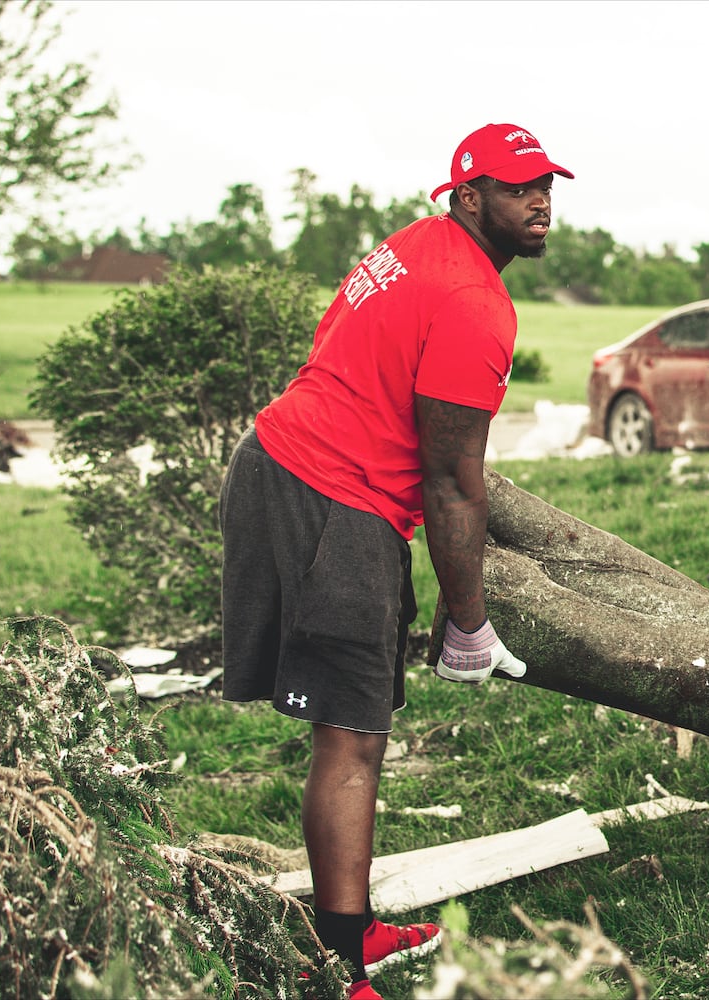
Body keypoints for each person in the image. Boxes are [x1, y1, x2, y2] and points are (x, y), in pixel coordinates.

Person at [220, 123, 566, 1000]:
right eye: (518, 185)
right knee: (353, 735)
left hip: (281, 463)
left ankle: (349, 924)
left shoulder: (416, 245)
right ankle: (338, 968)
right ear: (467, 194)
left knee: (354, 726)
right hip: (329, 497)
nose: (540, 200)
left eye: (546, 185)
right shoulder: (475, 300)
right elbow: (452, 480)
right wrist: (470, 621)